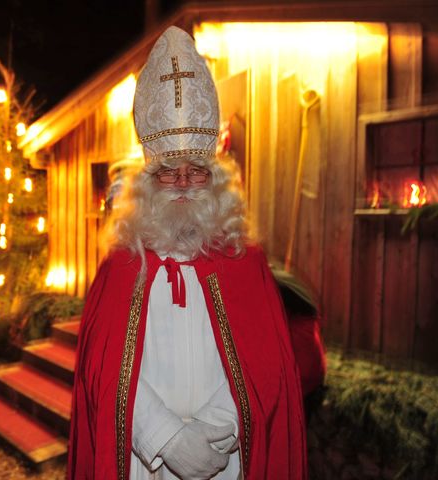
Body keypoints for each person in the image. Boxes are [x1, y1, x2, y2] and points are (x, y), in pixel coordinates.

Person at [68, 26, 307, 480]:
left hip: (225, 458)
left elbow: (267, 367)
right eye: (167, 172)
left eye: (196, 171)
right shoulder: (121, 265)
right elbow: (101, 370)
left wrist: (213, 432)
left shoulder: (245, 262)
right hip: (143, 462)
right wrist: (166, 439)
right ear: (146, 183)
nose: (181, 183)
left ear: (215, 179)